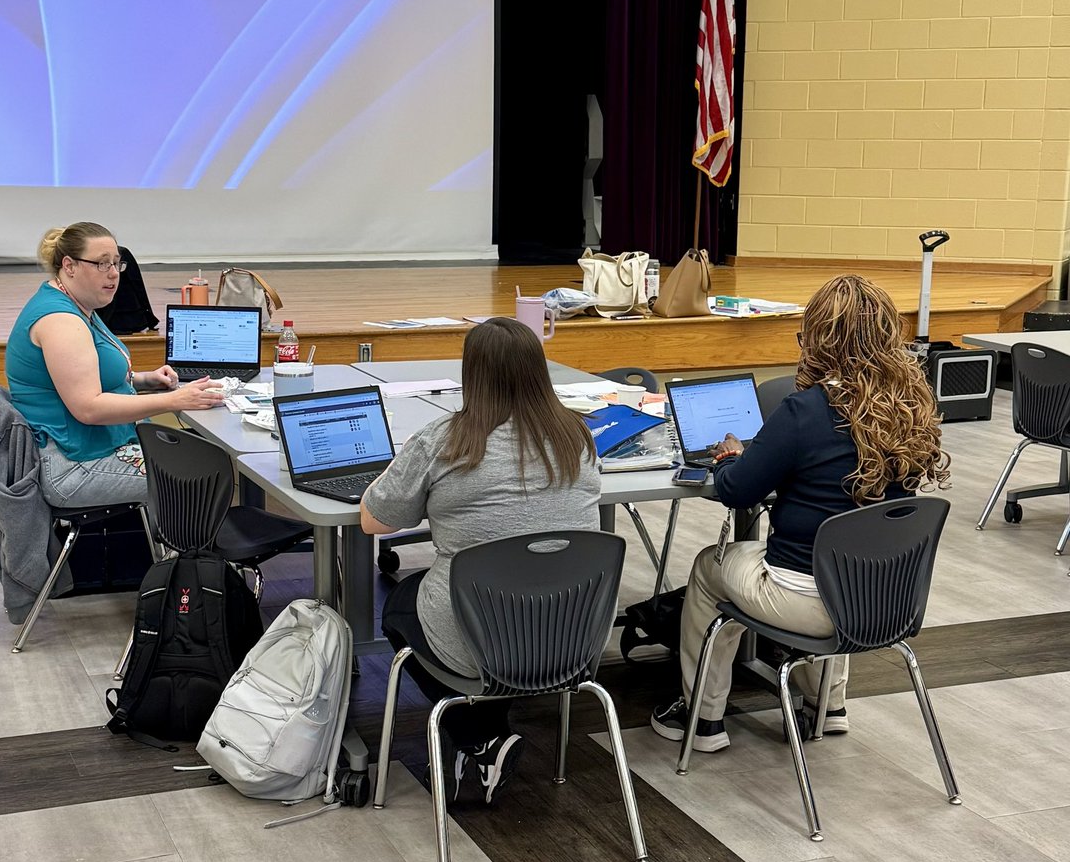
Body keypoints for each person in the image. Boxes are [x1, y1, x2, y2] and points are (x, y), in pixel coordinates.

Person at [651, 273, 950, 751]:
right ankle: (828, 706)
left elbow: (736, 491)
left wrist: (730, 457)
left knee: (709, 566)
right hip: (884, 597)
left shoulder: (806, 410)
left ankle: (702, 718)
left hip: (807, 604)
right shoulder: (910, 406)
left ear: (820, 340)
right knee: (846, 557)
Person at [361, 317, 601, 804]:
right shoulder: (577, 435)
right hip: (572, 636)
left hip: (480, 635)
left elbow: (375, 522)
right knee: (514, 592)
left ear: (471, 375)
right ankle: (493, 728)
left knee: (399, 605)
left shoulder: (444, 440)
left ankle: (477, 735)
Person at [5, 222, 227, 508]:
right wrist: (174, 400)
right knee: (204, 478)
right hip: (72, 466)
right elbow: (89, 407)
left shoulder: (76, 304)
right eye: (101, 264)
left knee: (203, 464)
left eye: (116, 264)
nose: (113, 274)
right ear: (69, 266)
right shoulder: (62, 323)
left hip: (90, 449)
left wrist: (146, 380)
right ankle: (190, 551)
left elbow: (83, 377)